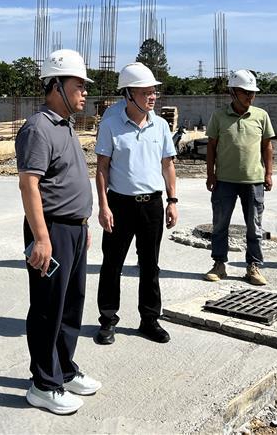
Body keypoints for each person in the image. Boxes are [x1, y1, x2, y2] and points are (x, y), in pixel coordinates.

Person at [15, 49, 101, 415]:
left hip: (73, 230)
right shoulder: (38, 128)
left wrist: (83, 223)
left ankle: (63, 369)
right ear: (55, 86)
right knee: (48, 308)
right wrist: (42, 237)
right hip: (51, 229)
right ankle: (43, 384)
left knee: (70, 305)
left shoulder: (65, 126)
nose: (84, 92)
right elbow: (29, 185)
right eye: (78, 85)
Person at [94, 62, 178, 346]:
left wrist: (172, 200)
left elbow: (168, 165)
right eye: (145, 92)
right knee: (112, 264)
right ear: (128, 94)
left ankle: (150, 319)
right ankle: (107, 320)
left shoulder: (161, 125)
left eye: (153, 91)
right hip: (120, 205)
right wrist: (103, 206)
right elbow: (102, 168)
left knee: (150, 265)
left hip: (152, 205)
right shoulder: (111, 125)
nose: (152, 97)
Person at [204, 69, 275, 286]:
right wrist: (210, 174)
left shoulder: (261, 116)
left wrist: (268, 173)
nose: (250, 96)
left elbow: (267, 146)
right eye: (245, 92)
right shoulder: (219, 116)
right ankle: (219, 264)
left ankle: (253, 267)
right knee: (220, 225)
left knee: (254, 227)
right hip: (224, 181)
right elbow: (211, 146)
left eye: (252, 93)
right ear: (233, 92)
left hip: (253, 181)